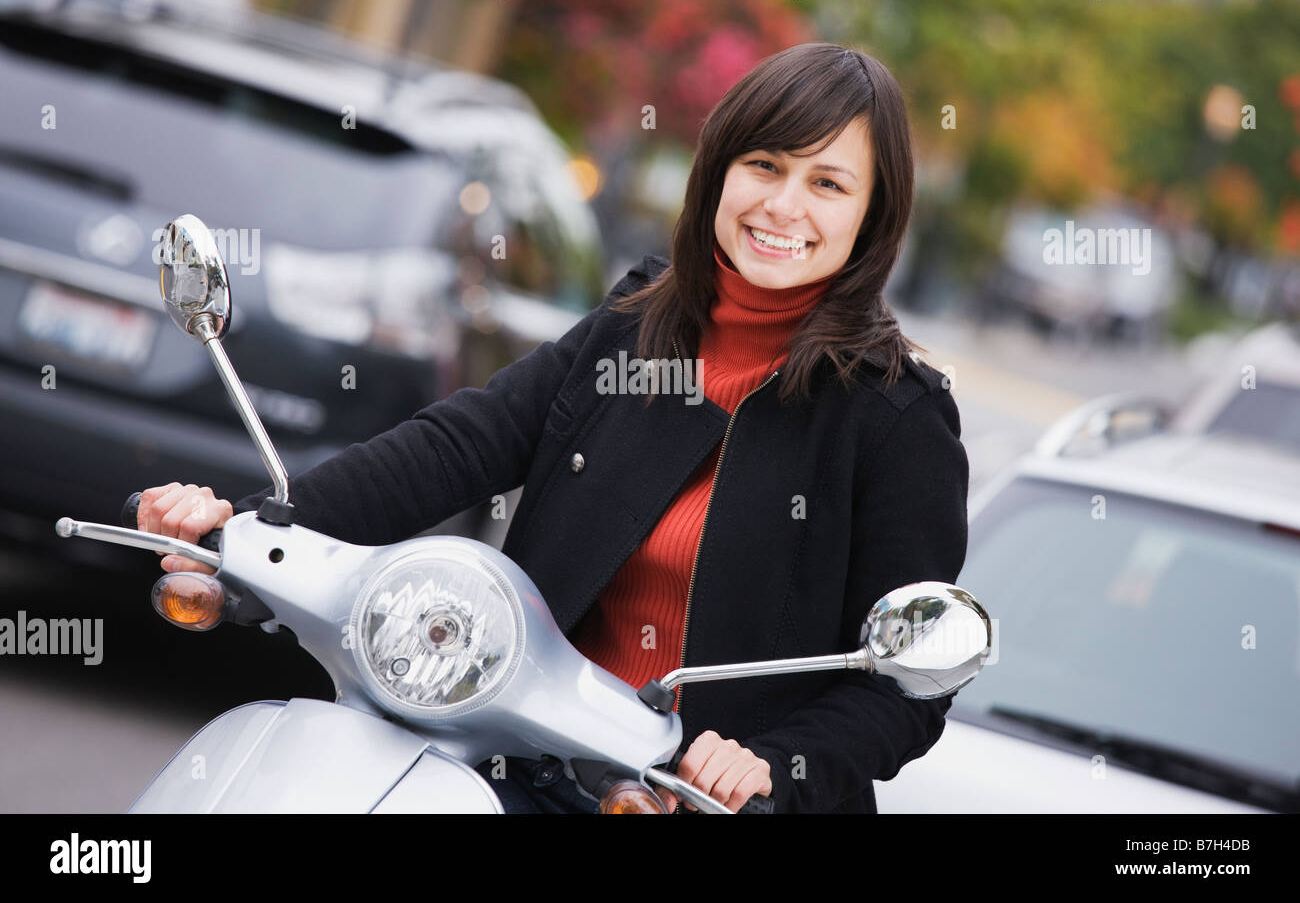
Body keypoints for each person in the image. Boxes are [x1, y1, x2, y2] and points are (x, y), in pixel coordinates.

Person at [136, 41, 969, 814]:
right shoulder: (635, 324)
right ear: (719, 171)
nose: (784, 205)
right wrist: (247, 531)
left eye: (828, 183)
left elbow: (904, 684)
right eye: (764, 165)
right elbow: (462, 443)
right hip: (503, 761)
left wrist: (775, 764)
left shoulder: (898, 416)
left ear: (873, 214)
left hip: (691, 804)